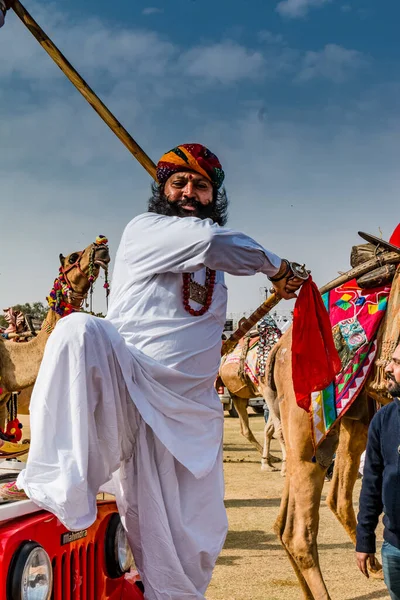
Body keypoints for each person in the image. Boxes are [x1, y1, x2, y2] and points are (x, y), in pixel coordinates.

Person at [1, 143, 304, 599]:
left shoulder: (216, 271)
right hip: (129, 386)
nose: (188, 191)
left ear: (214, 197)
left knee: (193, 544)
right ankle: (64, 485)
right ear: (161, 190)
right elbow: (210, 242)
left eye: (200, 185)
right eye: (177, 182)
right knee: (78, 331)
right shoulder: (147, 230)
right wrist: (278, 268)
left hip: (189, 414)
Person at [356, 341, 400, 599]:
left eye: (396, 363)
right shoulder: (383, 420)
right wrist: (364, 539)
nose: (388, 369)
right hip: (394, 547)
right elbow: (371, 483)